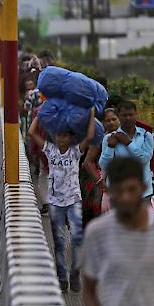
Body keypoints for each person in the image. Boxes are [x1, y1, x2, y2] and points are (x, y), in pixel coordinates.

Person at [82, 157, 154, 306]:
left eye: (131, 189)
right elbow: (89, 290)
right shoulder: (97, 232)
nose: (125, 197)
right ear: (109, 190)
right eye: (119, 190)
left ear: (144, 188)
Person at [28, 108, 96, 292]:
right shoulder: (49, 150)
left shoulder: (76, 151)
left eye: (65, 136)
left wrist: (91, 114)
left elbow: (89, 136)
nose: (61, 139)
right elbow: (31, 132)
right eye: (58, 136)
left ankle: (75, 273)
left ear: (71, 138)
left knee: (76, 239)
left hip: (73, 200)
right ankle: (61, 277)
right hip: (55, 202)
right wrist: (38, 115)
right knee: (58, 241)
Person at [99, 101, 154, 204]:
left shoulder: (146, 135)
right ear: (119, 116)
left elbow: (144, 159)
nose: (128, 118)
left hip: (142, 193)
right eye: (124, 115)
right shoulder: (109, 138)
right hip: (117, 193)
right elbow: (104, 166)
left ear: (136, 115)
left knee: (142, 220)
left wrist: (127, 142)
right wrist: (110, 147)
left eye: (131, 114)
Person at [82, 108, 121, 221]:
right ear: (103, 123)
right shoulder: (101, 139)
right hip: (103, 181)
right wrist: (101, 183)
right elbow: (87, 163)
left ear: (119, 120)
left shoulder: (126, 137)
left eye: (114, 119)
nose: (111, 122)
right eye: (108, 120)